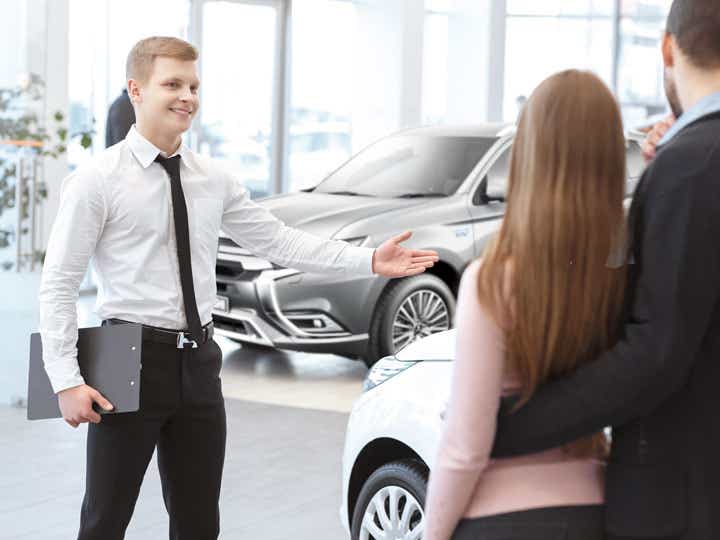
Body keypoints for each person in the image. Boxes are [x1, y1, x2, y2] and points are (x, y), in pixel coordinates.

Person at [38, 36, 438, 540]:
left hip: (201, 361)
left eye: (193, 85)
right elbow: (58, 283)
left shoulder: (214, 178)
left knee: (200, 519)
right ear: (136, 90)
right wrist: (65, 380)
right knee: (105, 519)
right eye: (172, 84)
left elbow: (279, 241)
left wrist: (370, 260)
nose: (187, 96)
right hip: (128, 358)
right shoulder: (97, 180)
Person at [490, 1, 720, 538]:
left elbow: (656, 351)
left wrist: (508, 428)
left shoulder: (693, 164)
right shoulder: (689, 159)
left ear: (667, 48)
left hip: (683, 497)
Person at [422, 69, 627, 540]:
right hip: (595, 511)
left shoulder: (492, 281)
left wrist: (432, 533)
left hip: (500, 518)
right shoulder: (620, 284)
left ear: (528, 158)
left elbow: (466, 446)